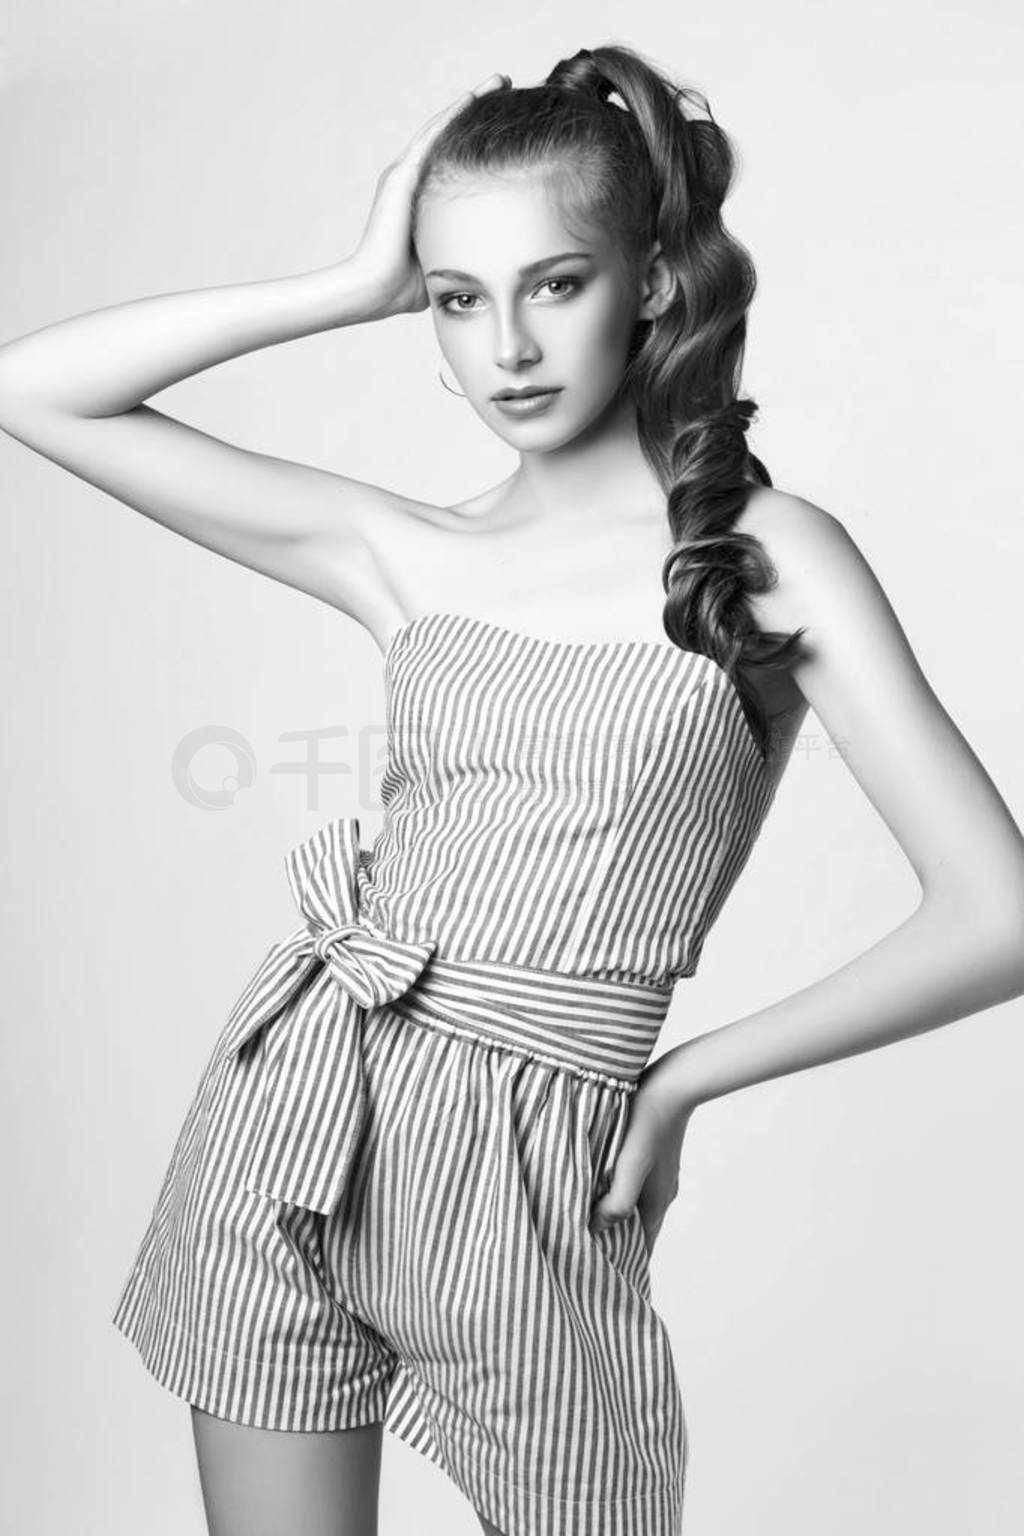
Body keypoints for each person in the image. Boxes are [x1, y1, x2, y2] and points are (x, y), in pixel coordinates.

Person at [1, 40, 1022, 1536]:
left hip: (547, 1173)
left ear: (656, 280)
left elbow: (998, 914)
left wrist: (682, 1079)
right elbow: (36, 394)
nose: (509, 349)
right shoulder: (405, 547)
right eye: (459, 298)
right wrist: (348, 281)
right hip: (294, 1115)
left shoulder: (761, 557)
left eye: (554, 283)